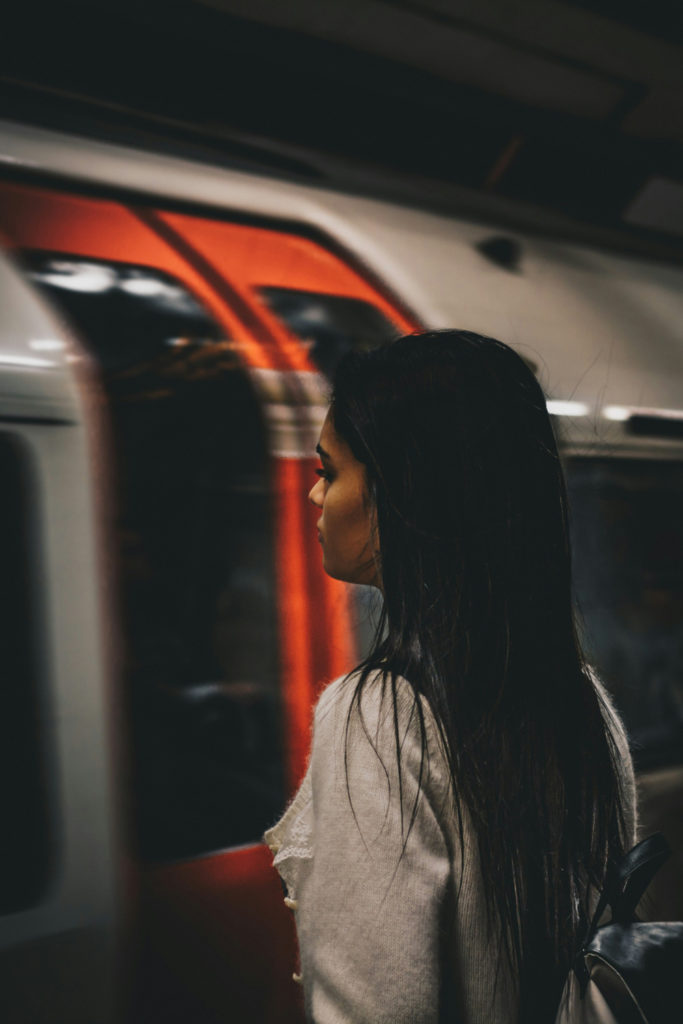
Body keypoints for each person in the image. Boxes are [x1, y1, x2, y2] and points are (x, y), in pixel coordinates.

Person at [264, 330, 637, 1023]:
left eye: (330, 470)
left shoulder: (375, 717)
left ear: (400, 494)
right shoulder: (584, 703)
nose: (315, 495)